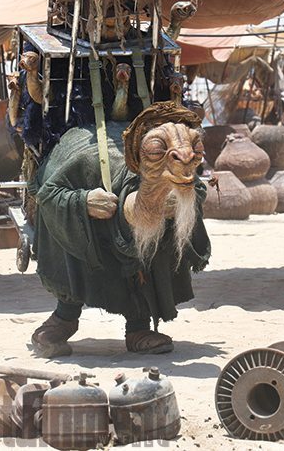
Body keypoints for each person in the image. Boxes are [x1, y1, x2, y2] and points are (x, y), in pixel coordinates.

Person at [30, 102, 211, 356]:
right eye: (157, 152)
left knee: (156, 241)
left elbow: (196, 187)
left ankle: (139, 325)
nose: (186, 159)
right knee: (75, 230)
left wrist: (178, 197)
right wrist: (82, 201)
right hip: (90, 171)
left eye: (196, 151)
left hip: (142, 209)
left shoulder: (180, 167)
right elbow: (48, 194)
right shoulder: (86, 161)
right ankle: (64, 317)